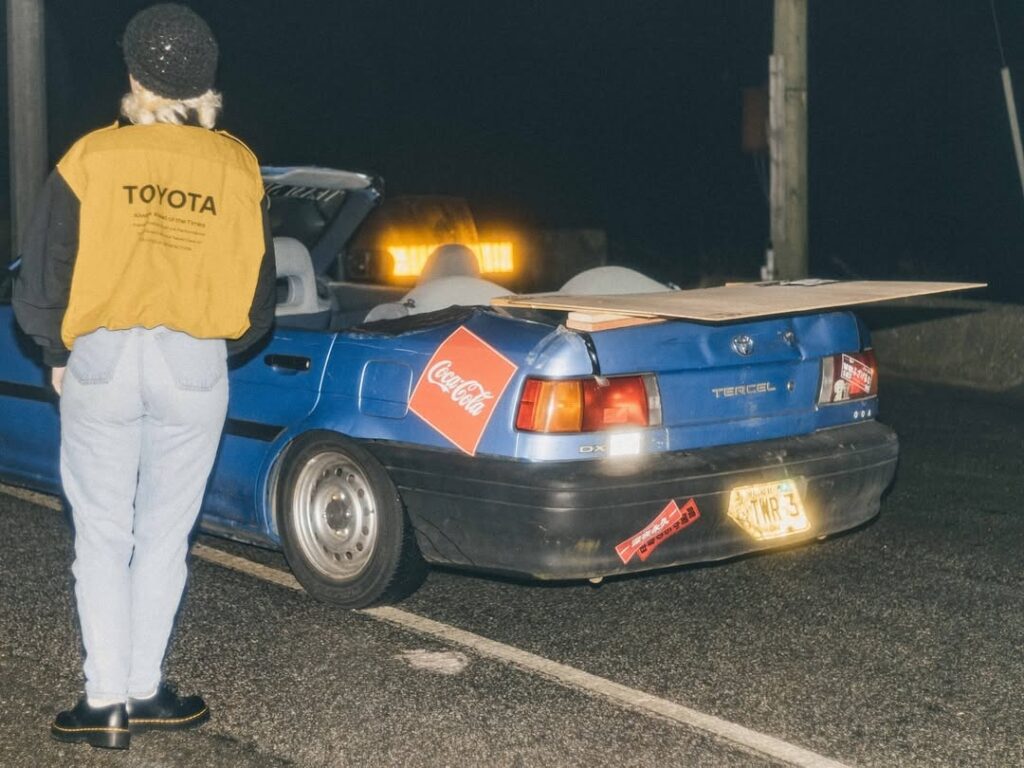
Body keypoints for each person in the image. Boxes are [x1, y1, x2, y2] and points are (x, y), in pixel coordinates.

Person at [12, 3, 275, 750]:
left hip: (101, 354)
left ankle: (104, 704)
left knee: (100, 531)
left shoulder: (90, 157)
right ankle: (146, 687)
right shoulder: (237, 164)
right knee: (165, 533)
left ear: (133, 74)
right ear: (206, 81)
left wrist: (53, 354)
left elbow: (44, 274)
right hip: (194, 361)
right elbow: (259, 302)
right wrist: (213, 337)